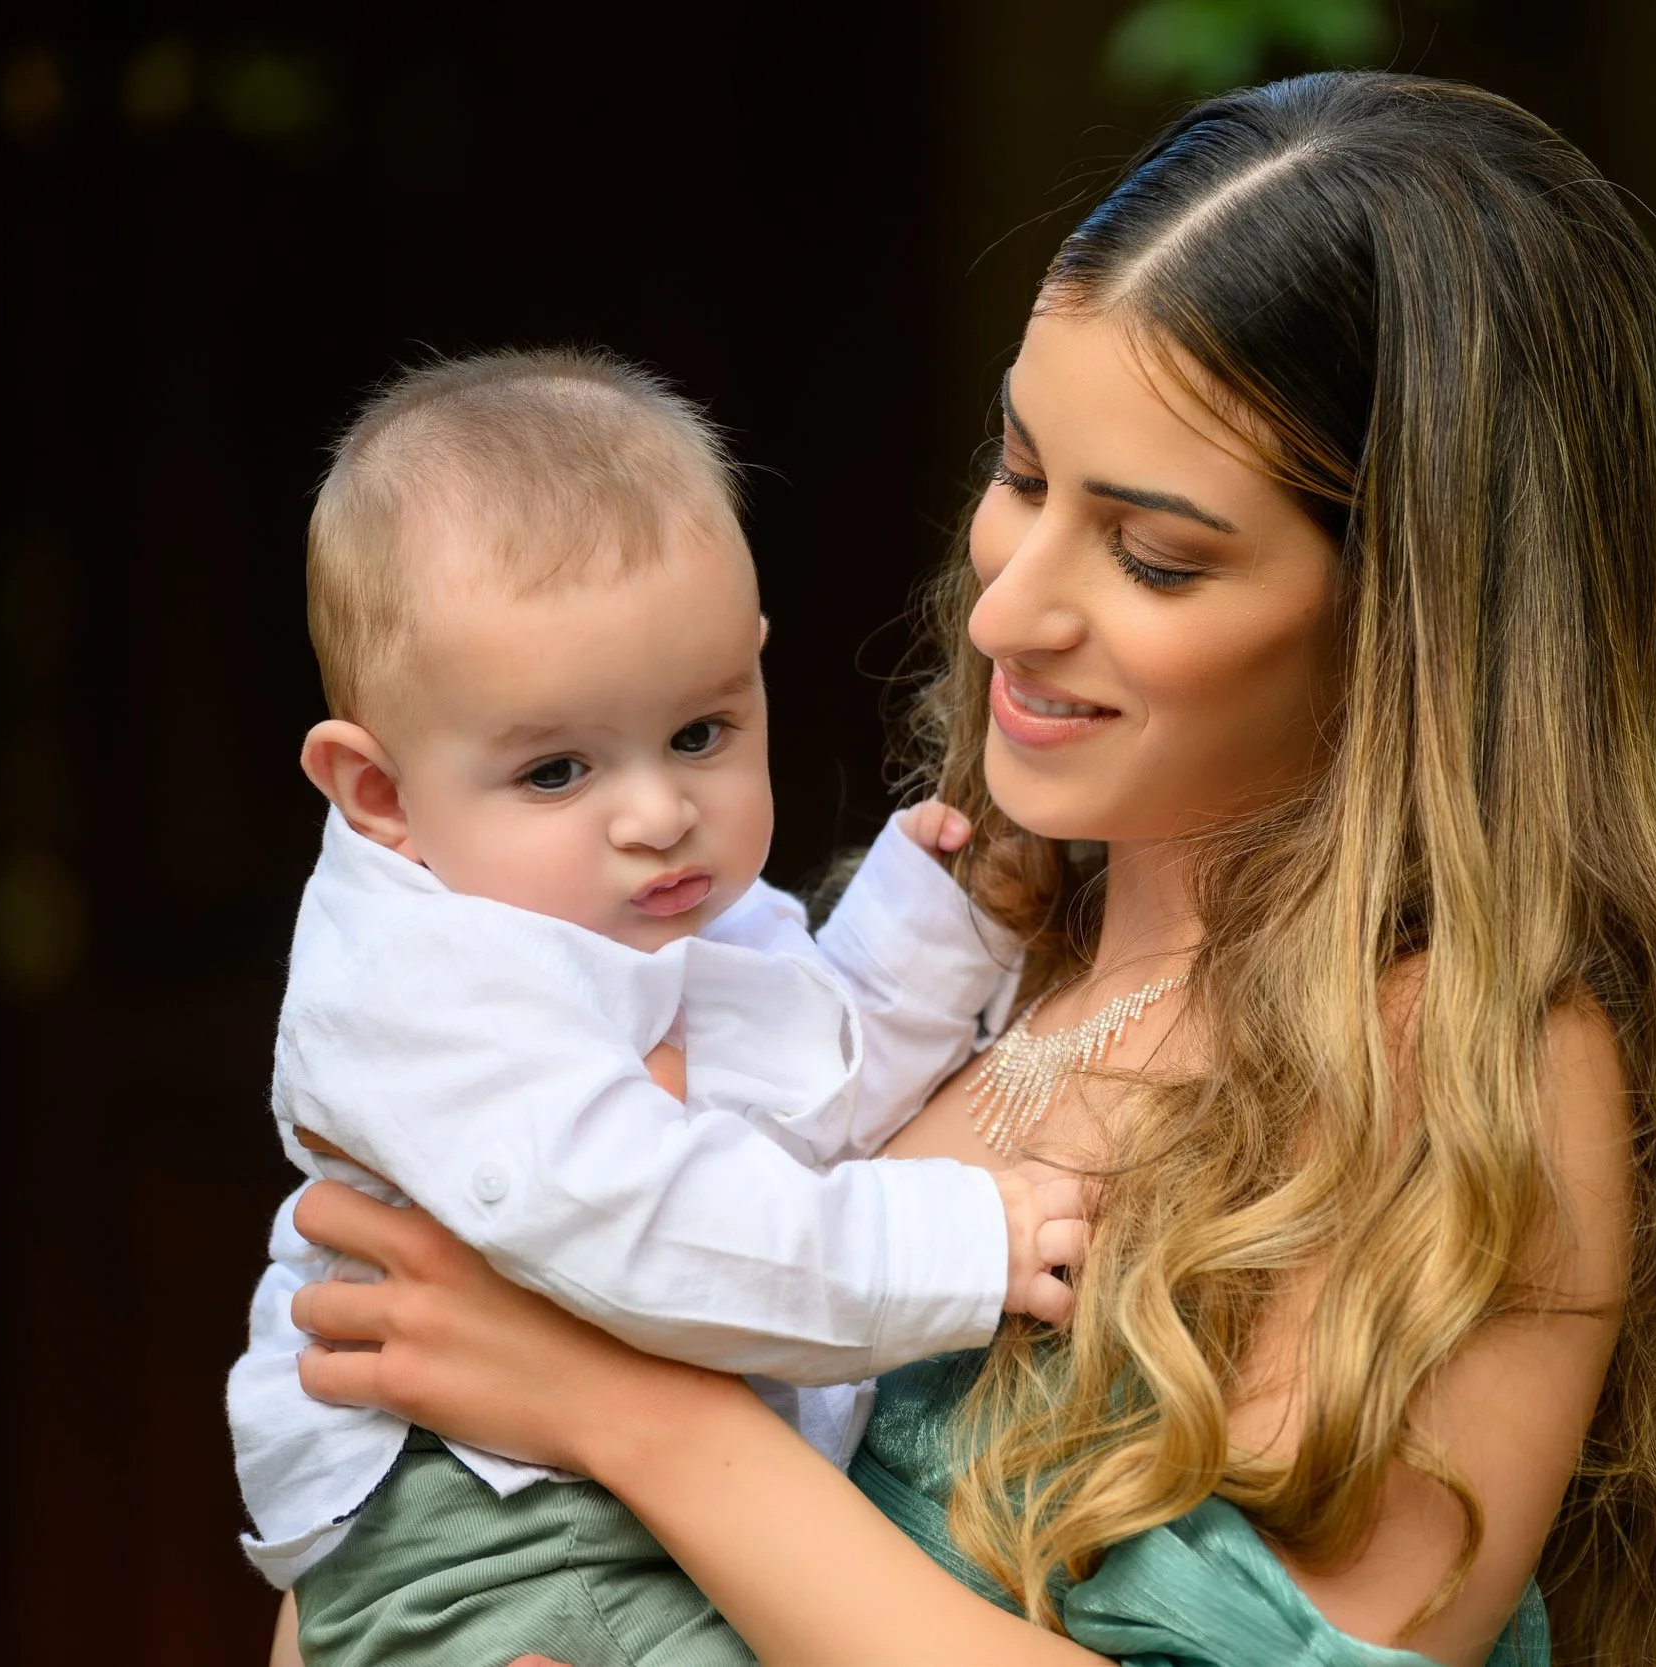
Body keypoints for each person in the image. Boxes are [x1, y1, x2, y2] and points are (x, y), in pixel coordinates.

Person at [278, 72, 1656, 1666]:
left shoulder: (1469, 1062)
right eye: (1022, 476)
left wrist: (636, 1416)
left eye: (1155, 553)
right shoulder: (935, 952)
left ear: (1418, 620)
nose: (1003, 612)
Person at [229, 350, 1089, 1664]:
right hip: (490, 1537)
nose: (656, 812)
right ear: (380, 792)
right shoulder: (426, 989)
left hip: (594, 1496)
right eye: (558, 767)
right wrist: (965, 1247)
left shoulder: (608, 901)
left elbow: (794, 1100)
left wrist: (945, 923)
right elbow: (674, 1233)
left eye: (700, 732)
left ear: (752, 666)